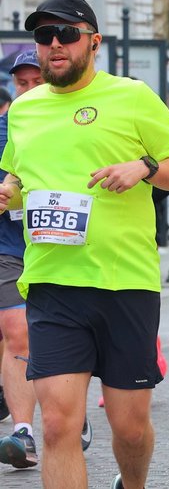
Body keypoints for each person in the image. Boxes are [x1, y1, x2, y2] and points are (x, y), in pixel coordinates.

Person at [0, 0, 169, 489]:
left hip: (124, 283)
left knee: (129, 429)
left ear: (93, 41)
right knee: (57, 425)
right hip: (51, 282)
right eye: (44, 36)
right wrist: (7, 192)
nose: (54, 44)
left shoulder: (131, 96)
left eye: (66, 33)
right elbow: (17, 178)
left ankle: (131, 484)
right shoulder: (24, 110)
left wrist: (145, 167)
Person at [0, 50, 46, 469]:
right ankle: (23, 433)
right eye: (21, 84)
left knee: (57, 338)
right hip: (9, 249)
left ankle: (68, 411)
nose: (29, 90)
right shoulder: (3, 128)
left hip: (59, 249)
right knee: (17, 331)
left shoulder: (73, 124)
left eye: (36, 82)